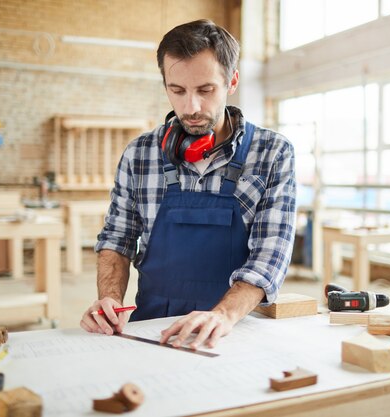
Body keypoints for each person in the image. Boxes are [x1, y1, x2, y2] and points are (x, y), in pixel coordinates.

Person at [80, 19, 296, 349]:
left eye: (205, 90)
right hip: (151, 328)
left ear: (232, 81)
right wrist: (109, 302)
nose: (190, 108)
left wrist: (222, 315)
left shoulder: (272, 153)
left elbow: (270, 258)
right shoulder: (140, 154)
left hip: (235, 332)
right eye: (177, 91)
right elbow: (117, 240)